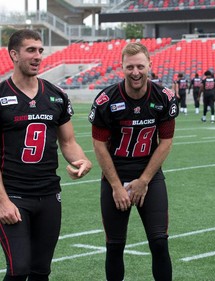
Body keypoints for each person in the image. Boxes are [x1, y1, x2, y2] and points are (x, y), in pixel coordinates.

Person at [0, 29, 92, 281]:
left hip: (49, 195)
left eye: (41, 50)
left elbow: (68, 141)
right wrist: (2, 201)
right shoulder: (1, 95)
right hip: (14, 195)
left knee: (41, 271)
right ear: (14, 55)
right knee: (19, 269)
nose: (38, 56)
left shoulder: (56, 95)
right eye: (31, 50)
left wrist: (81, 160)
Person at [88, 42, 178, 281]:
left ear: (150, 65)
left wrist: (144, 180)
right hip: (115, 175)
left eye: (140, 66)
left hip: (149, 176)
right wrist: (117, 186)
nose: (135, 72)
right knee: (115, 246)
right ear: (122, 67)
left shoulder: (163, 97)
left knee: (159, 243)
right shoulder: (107, 99)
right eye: (130, 67)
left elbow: (166, 141)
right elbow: (99, 145)